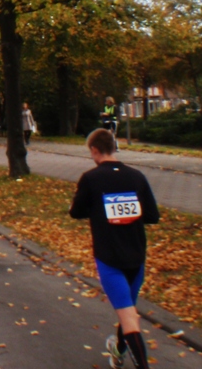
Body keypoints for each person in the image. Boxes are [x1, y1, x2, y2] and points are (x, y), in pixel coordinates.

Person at [70, 128, 159, 369]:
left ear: (95, 150)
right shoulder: (137, 176)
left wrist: (100, 210)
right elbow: (152, 215)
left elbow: (76, 212)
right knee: (128, 312)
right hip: (136, 256)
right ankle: (118, 350)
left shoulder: (91, 178)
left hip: (110, 259)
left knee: (128, 318)